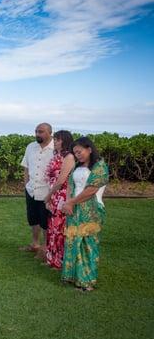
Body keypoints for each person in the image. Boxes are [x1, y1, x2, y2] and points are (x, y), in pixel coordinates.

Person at [61, 137, 109, 291]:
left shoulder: (99, 167)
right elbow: (70, 185)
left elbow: (91, 190)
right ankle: (73, 275)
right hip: (74, 209)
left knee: (87, 245)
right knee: (72, 241)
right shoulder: (76, 166)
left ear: (89, 149)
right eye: (75, 153)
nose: (77, 155)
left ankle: (87, 281)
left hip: (92, 210)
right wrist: (68, 202)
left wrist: (71, 202)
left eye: (79, 151)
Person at [19, 123, 54, 253]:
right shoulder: (30, 147)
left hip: (47, 192)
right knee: (33, 219)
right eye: (36, 131)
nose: (37, 134)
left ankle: (46, 249)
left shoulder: (55, 149)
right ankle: (35, 244)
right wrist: (26, 186)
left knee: (46, 221)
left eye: (41, 132)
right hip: (31, 190)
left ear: (50, 133)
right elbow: (26, 168)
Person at [43, 130, 75, 269]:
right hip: (55, 194)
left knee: (59, 227)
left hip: (62, 195)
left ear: (65, 141)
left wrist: (48, 195)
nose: (55, 141)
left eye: (58, 139)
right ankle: (52, 259)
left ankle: (60, 261)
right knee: (53, 226)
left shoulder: (69, 157)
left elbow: (61, 180)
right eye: (54, 139)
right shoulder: (57, 155)